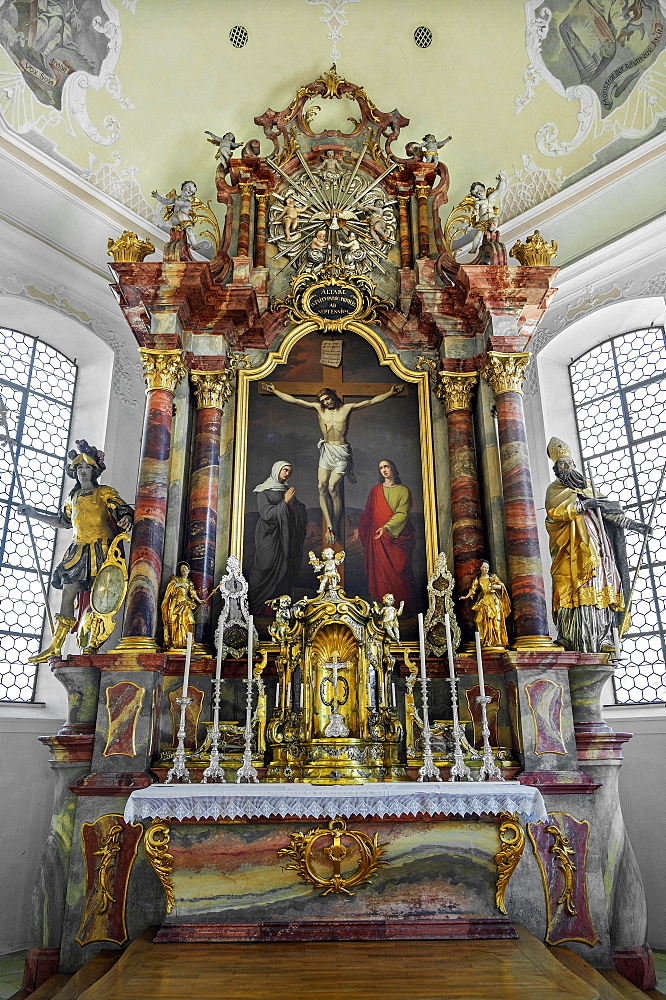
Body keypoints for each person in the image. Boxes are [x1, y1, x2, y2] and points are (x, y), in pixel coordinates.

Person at [18, 440, 133, 662]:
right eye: (79, 467)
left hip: (101, 549)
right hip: (78, 549)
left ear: (94, 471)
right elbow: (63, 522)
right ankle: (56, 645)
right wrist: (33, 514)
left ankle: (92, 644)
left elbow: (123, 511)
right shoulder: (73, 498)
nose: (83, 471)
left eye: (87, 467)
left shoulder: (104, 493)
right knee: (68, 590)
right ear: (74, 472)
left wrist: (127, 518)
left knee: (101, 595)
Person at [545, 437, 652, 652]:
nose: (566, 468)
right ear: (557, 470)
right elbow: (555, 514)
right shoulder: (555, 490)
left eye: (569, 463)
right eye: (561, 465)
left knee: (601, 589)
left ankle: (604, 639)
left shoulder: (589, 488)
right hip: (572, 551)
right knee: (572, 590)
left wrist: (635, 525)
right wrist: (584, 504)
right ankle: (570, 637)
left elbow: (610, 514)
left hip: (599, 551)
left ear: (575, 465)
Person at [262, 383, 402, 544]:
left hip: (341, 452)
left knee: (332, 487)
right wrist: (275, 391)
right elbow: (295, 401)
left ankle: (334, 523)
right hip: (327, 451)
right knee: (321, 486)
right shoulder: (319, 409)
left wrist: (390, 393)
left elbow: (370, 402)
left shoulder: (347, 409)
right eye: (323, 400)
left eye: (327, 398)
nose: (326, 402)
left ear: (333, 396)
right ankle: (329, 525)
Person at [248, 461, 307, 614]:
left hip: (285, 539)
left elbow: (298, 511)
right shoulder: (263, 491)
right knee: (265, 567)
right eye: (285, 470)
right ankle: (257, 608)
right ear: (276, 470)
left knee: (284, 570)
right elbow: (267, 514)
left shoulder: (286, 490)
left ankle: (279, 610)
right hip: (269, 538)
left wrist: (293, 505)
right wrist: (285, 502)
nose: (287, 474)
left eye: (289, 471)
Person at [358, 459, 416, 612]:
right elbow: (368, 514)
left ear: (393, 468)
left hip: (396, 538)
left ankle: (404, 609)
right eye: (380, 468)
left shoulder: (403, 491)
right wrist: (359, 529)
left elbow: (402, 513)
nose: (383, 470)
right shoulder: (375, 491)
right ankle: (381, 608)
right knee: (379, 573)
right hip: (378, 539)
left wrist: (386, 527)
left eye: (386, 466)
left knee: (400, 571)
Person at [462, 561, 511, 649]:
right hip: (484, 601)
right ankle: (485, 640)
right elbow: (472, 590)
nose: (485, 569)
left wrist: (495, 587)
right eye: (484, 567)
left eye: (487, 568)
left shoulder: (493, 577)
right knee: (480, 620)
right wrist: (466, 596)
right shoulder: (478, 579)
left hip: (494, 601)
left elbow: (501, 586)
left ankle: (497, 641)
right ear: (480, 568)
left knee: (495, 620)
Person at [161, 561, 202, 650]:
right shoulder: (176, 579)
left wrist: (199, 600)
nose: (183, 570)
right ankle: (175, 643)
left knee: (190, 621)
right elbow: (170, 587)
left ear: (189, 571)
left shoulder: (189, 582)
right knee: (175, 621)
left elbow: (192, 592)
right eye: (182, 568)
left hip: (186, 602)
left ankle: (189, 642)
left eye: (185, 568)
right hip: (176, 602)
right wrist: (180, 584)